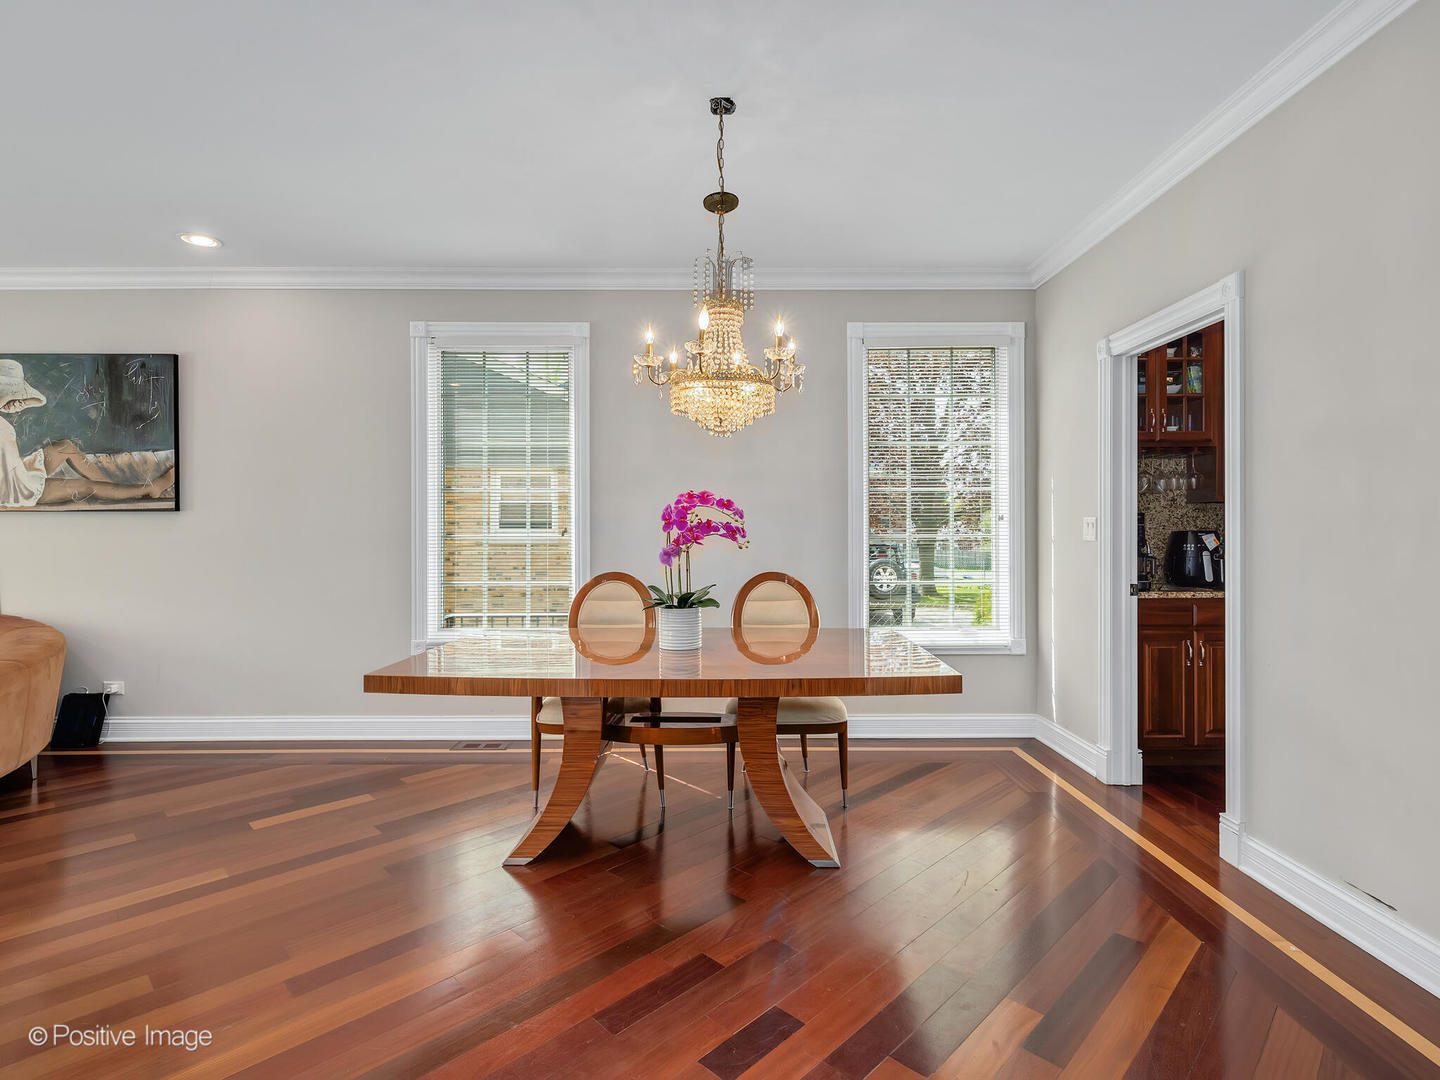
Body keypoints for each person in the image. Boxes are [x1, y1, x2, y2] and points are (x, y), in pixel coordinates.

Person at [0, 358, 175, 507]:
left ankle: (113, 488)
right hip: (11, 489)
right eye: (13, 396)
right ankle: (149, 489)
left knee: (65, 447)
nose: (17, 403)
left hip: (13, 471)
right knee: (86, 487)